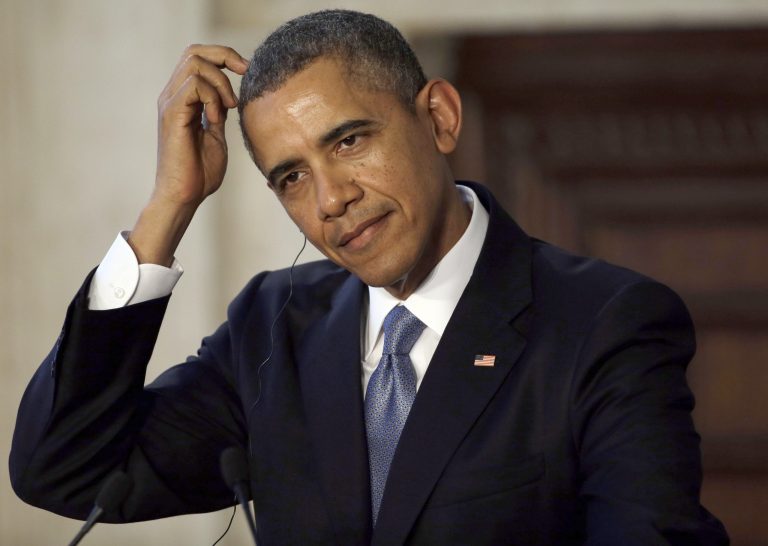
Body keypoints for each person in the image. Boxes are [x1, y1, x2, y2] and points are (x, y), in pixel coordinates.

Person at [10, 9, 728, 545]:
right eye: (291, 177)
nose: (330, 200)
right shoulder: (273, 326)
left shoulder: (604, 322)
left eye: (349, 141)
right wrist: (167, 208)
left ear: (439, 119)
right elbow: (66, 471)